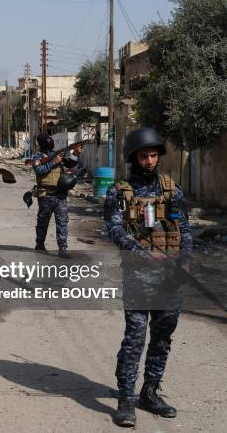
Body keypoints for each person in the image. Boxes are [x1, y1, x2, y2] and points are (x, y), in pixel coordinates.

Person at [104, 127, 193, 427]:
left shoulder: (171, 189)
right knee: (135, 338)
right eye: (145, 155)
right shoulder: (119, 191)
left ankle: (150, 392)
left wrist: (186, 260)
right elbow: (115, 230)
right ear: (134, 157)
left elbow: (186, 229)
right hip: (139, 276)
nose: (150, 160)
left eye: (154, 155)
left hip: (170, 278)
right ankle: (126, 399)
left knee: (163, 336)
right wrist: (144, 254)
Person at [31, 133, 82, 258]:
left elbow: (70, 164)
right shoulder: (37, 157)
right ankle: (40, 245)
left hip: (60, 194)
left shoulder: (57, 154)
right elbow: (39, 170)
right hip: (46, 194)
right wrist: (54, 162)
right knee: (43, 221)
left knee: (62, 222)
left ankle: (62, 248)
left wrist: (75, 153)